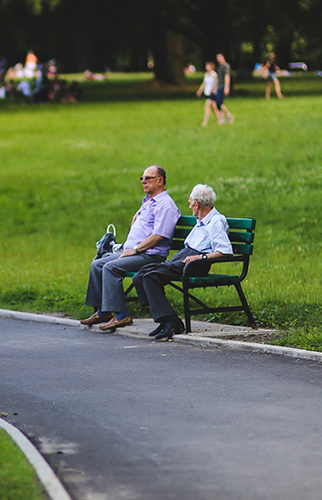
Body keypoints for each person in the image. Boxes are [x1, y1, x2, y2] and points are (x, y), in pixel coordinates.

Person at [80, 165, 181, 331]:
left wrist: (135, 249)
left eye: (148, 178)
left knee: (111, 267)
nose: (143, 181)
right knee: (97, 263)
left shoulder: (165, 205)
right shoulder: (149, 202)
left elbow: (159, 236)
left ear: (160, 181)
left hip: (150, 255)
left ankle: (121, 315)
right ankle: (103, 311)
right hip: (136, 252)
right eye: (142, 178)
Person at [133, 184, 232, 340]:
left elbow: (225, 251)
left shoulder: (216, 221)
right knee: (141, 274)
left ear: (196, 204)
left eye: (190, 202)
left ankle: (171, 321)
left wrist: (200, 258)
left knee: (151, 276)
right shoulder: (201, 220)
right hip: (185, 257)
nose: (189, 205)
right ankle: (165, 319)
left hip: (196, 263)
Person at [196, 61, 222, 126]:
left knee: (207, 107)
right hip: (207, 92)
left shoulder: (214, 74)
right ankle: (219, 121)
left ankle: (205, 122)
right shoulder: (206, 74)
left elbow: (215, 83)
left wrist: (213, 90)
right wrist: (200, 90)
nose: (206, 67)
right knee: (214, 108)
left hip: (212, 93)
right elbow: (204, 83)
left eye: (208, 66)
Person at [216, 54, 235, 124]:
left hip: (223, 87)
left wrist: (227, 87)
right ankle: (222, 119)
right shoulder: (220, 67)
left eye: (220, 58)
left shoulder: (226, 66)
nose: (218, 59)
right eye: (217, 58)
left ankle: (229, 115)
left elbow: (227, 77)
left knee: (218, 103)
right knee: (220, 103)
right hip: (219, 86)